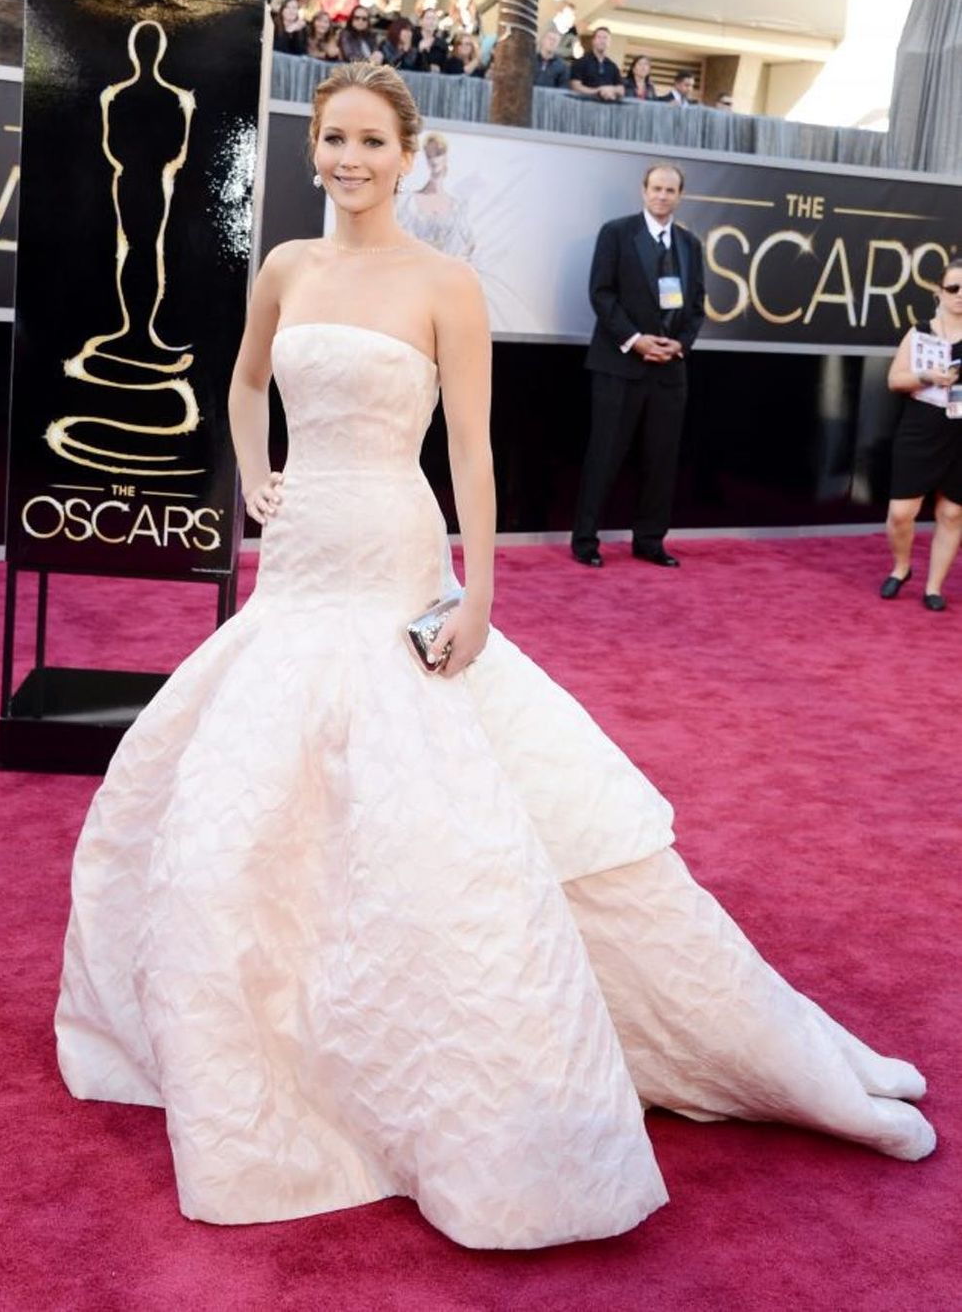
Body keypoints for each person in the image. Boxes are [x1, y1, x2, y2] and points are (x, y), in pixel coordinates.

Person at [56, 63, 935, 1253]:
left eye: (370, 140)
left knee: (475, 822)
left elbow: (470, 450)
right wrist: (253, 474)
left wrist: (479, 591)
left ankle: (786, 1055)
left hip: (397, 564)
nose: (349, 159)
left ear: (407, 152)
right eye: (332, 139)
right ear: (310, 149)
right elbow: (248, 374)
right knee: (250, 811)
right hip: (300, 568)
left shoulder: (443, 282)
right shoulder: (286, 268)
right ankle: (303, 1051)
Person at [572, 162, 704, 568]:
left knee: (661, 459)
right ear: (643, 191)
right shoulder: (616, 233)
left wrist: (676, 345)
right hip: (619, 366)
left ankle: (649, 541)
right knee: (605, 454)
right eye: (657, 188)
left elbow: (697, 306)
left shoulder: (689, 244)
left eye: (670, 190)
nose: (663, 196)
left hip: (669, 370)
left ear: (680, 196)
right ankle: (585, 541)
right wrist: (636, 341)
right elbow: (602, 294)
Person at [880, 258, 962, 611]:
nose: (961, 296)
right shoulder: (920, 331)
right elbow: (894, 380)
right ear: (939, 291)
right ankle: (901, 567)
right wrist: (926, 377)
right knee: (901, 511)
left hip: (960, 431)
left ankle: (934, 587)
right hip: (920, 426)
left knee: (953, 514)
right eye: (954, 288)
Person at [396, 129, 474, 259]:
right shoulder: (409, 201)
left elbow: (470, 243)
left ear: (445, 156)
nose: (434, 160)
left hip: (444, 273)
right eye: (429, 155)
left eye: (438, 154)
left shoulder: (457, 206)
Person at [569, 26, 624, 102]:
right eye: (599, 37)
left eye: (605, 38)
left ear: (609, 42)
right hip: (584, 106)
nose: (602, 41)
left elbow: (621, 89)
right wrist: (598, 91)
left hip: (606, 108)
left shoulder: (613, 66)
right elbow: (575, 86)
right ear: (593, 41)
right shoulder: (580, 62)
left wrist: (610, 90)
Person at [412, 6, 448, 73]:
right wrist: (418, 49)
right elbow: (407, 62)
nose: (431, 22)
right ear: (421, 21)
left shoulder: (442, 44)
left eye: (434, 19)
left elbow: (445, 65)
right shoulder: (413, 38)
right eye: (428, 18)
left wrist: (439, 69)